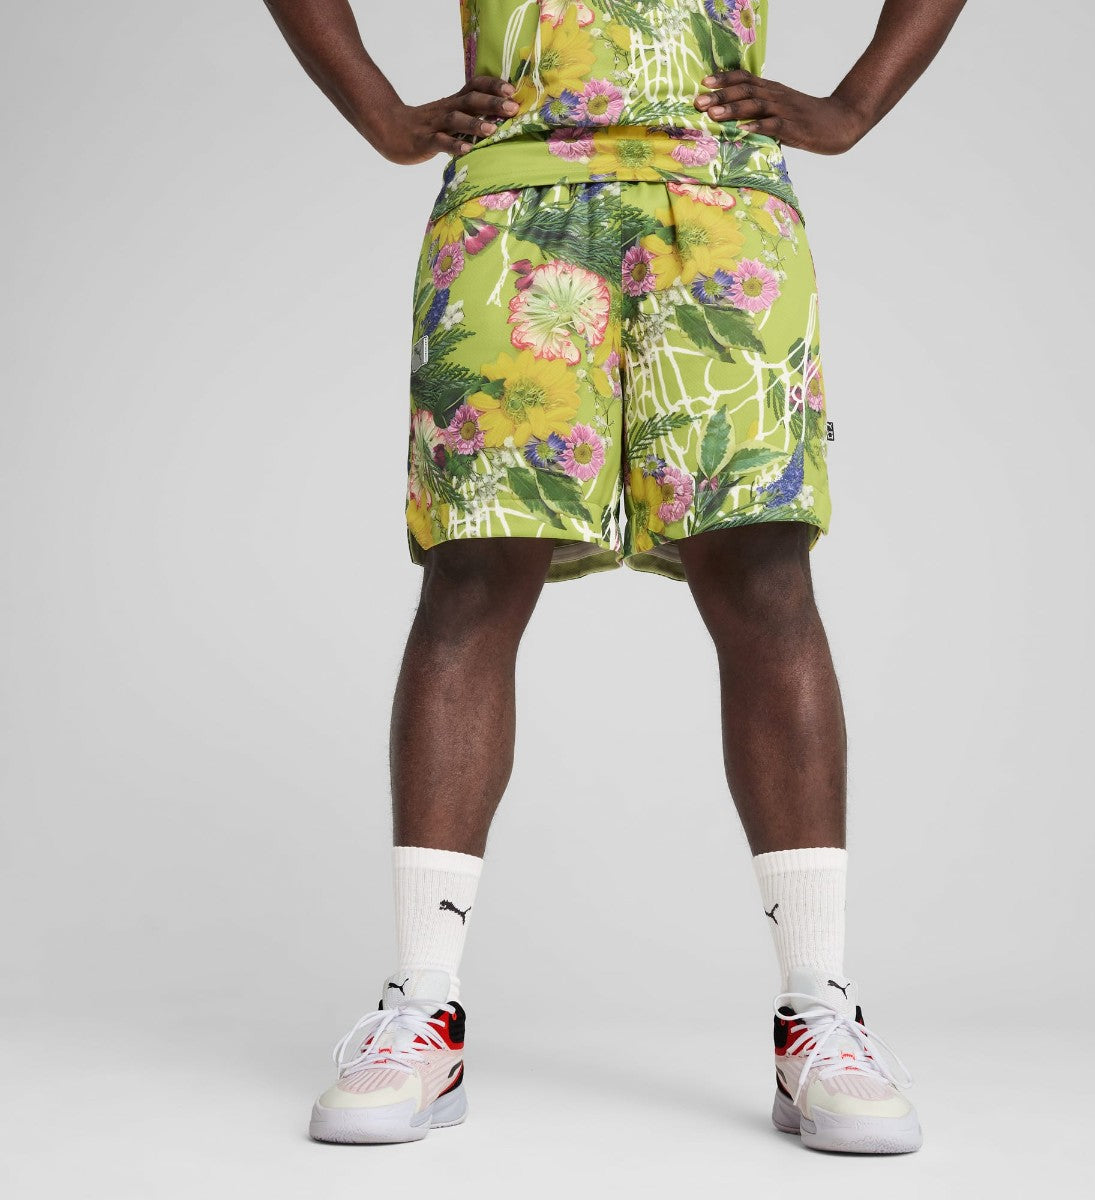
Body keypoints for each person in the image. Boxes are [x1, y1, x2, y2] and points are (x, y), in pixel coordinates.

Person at [264, 0, 966, 1154]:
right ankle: (423, 1010)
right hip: (510, 201)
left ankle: (819, 1014)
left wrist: (853, 105)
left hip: (722, 196)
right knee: (474, 573)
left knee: (764, 574)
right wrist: (382, 114)